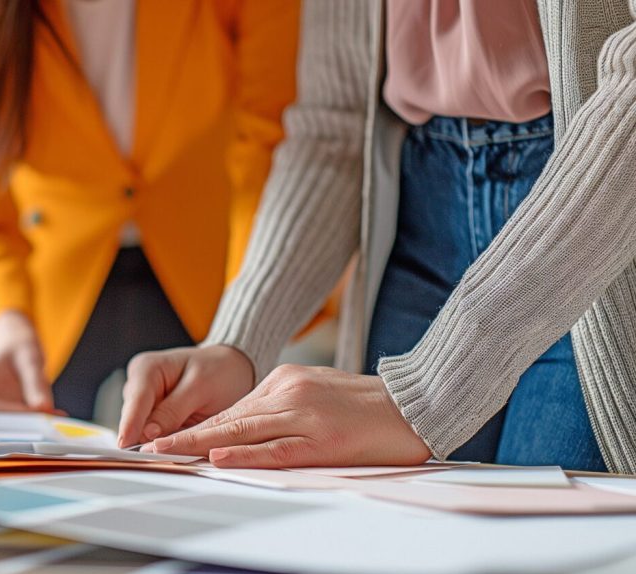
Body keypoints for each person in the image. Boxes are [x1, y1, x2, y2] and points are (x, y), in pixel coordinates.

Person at [119, 0, 636, 474]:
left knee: (538, 561)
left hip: (593, 222)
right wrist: (238, 341)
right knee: (396, 550)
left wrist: (429, 390)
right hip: (420, 215)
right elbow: (334, 127)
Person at [0, 0, 299, 420]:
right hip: (28, 297)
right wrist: (3, 323)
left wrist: (243, 330)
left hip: (211, 288)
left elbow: (274, 147)